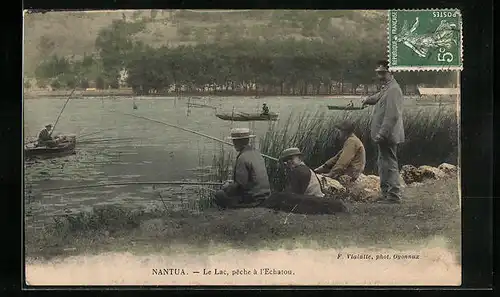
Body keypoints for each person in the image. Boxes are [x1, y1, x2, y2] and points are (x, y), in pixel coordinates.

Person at [361, 60, 405, 204]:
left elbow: (392, 115)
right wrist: (366, 100)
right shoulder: (388, 88)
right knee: (383, 163)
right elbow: (378, 97)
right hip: (385, 135)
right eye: (378, 73)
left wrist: (382, 133)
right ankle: (386, 193)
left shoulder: (394, 90)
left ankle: (393, 196)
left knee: (390, 164)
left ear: (390, 72)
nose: (380, 76)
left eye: (382, 73)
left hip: (388, 135)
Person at [214, 128, 271, 209]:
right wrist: (233, 182)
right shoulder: (257, 153)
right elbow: (250, 179)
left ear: (238, 142)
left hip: (254, 200)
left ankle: (229, 210)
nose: (233, 143)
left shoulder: (242, 157)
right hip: (266, 197)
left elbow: (240, 185)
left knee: (219, 194)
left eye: (234, 141)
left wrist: (227, 186)